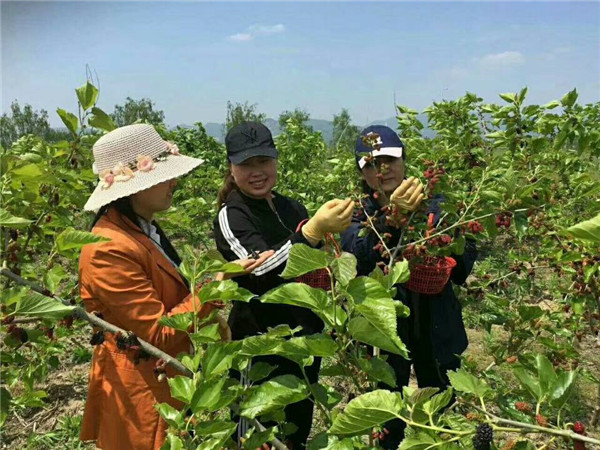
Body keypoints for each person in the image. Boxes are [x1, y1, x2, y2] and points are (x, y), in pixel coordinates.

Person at [78, 124, 271, 450]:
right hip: (143, 397)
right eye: (164, 175)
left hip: (166, 383)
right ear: (135, 186)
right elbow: (158, 332)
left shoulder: (141, 229)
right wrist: (216, 285)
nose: (174, 181)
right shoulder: (108, 249)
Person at [213, 121, 354, 448]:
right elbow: (261, 272)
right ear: (231, 167)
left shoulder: (292, 207)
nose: (257, 172)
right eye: (246, 164)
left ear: (276, 160)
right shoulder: (232, 215)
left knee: (296, 428)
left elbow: (308, 265)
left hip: (303, 340)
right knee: (254, 433)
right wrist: (310, 233)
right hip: (259, 344)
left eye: (263, 161)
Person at [340, 125, 477, 449]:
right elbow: (356, 256)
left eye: (389, 160)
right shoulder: (358, 212)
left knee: (440, 407)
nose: (382, 170)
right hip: (384, 330)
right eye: (372, 164)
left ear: (404, 160)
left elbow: (465, 256)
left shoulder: (436, 203)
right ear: (362, 172)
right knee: (388, 411)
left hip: (436, 324)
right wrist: (392, 219)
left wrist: (448, 254)